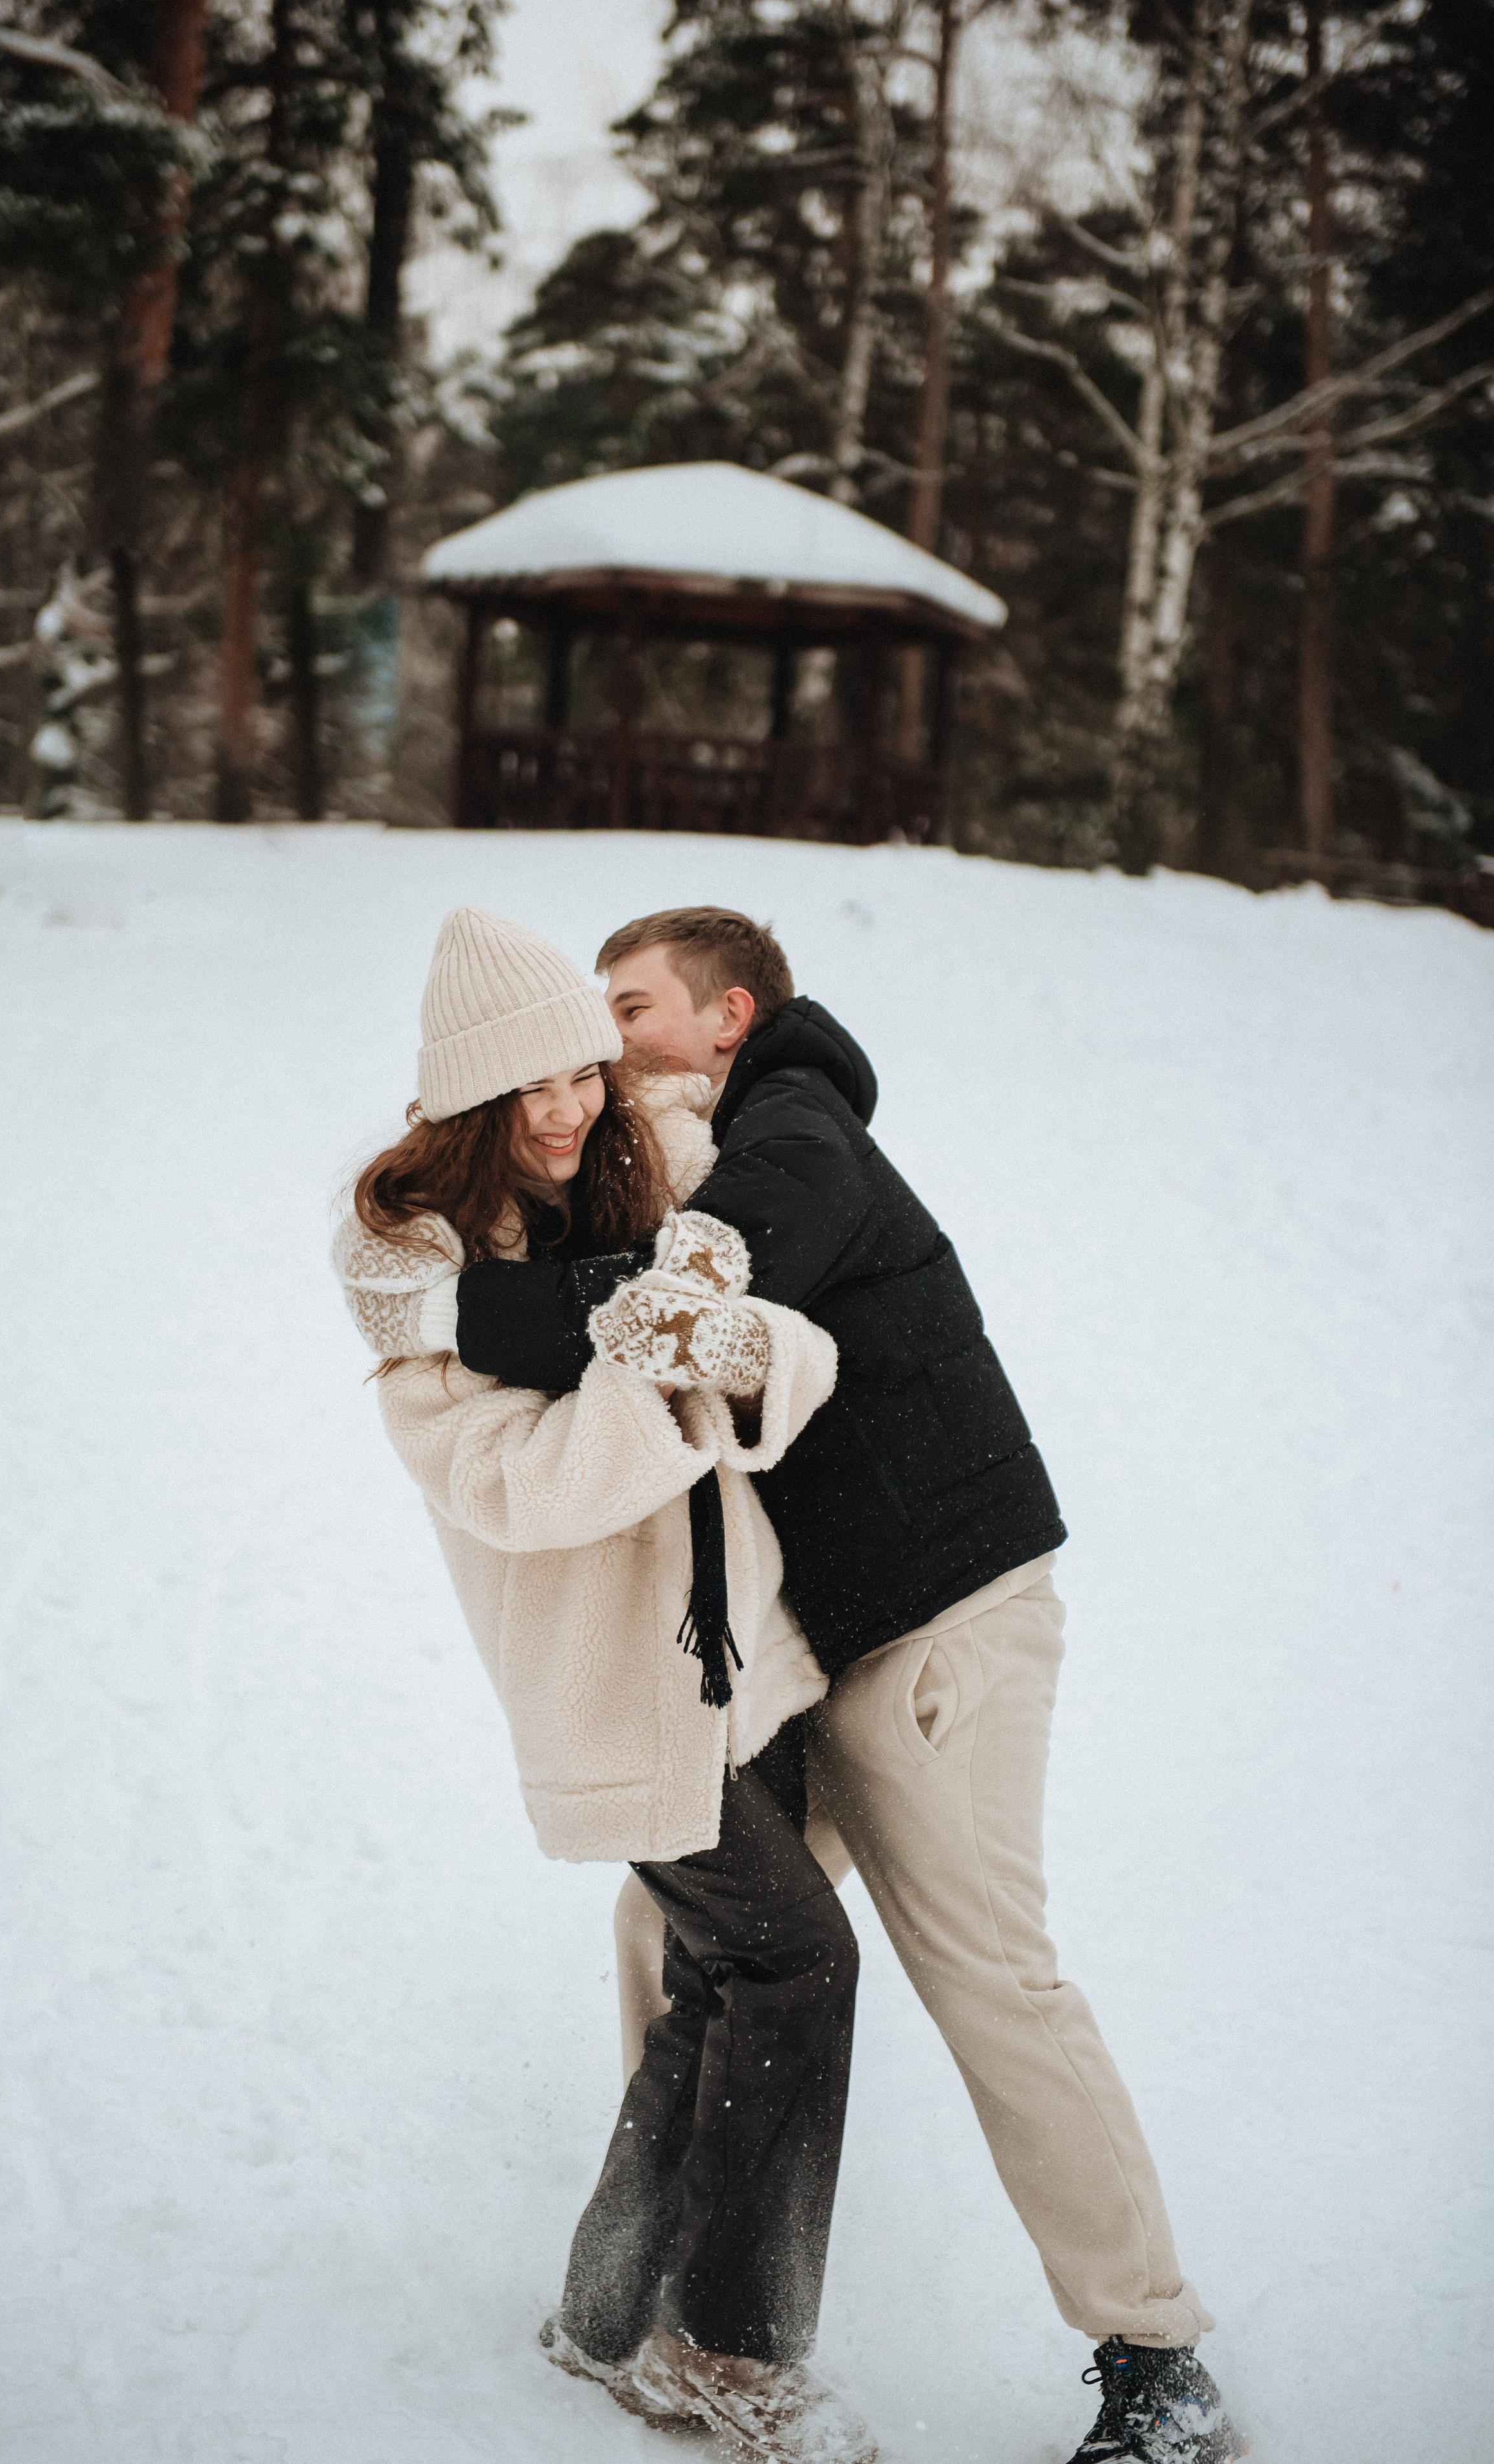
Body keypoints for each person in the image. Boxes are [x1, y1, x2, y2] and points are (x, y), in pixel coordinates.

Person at [446, 906, 1246, 2464]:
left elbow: (673, 1307)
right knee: (669, 1915)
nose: (602, 1049)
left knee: (984, 1973)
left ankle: (1157, 2358)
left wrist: (449, 1310)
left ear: (729, 1014)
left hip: (938, 1620)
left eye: (631, 1010)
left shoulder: (792, 1131)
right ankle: (677, 2279)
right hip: (832, 1641)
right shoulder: (722, 1134)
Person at [333, 906, 877, 2464]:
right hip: (616, 1698)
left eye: (582, 1070)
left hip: (739, 1657)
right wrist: (654, 1363)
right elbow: (523, 1491)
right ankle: (726, 2362)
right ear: (463, 1110)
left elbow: (789, 1340)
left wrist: (726, 1326)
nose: (570, 1109)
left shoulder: (646, 1172)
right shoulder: (417, 1302)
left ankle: (599, 2313)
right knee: (796, 1964)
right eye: (529, 1091)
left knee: (713, 1986)